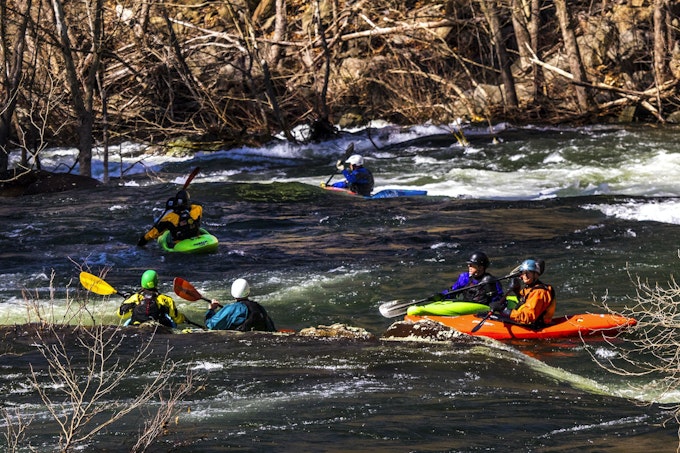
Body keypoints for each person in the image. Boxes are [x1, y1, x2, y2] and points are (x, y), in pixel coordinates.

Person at [489, 258, 556, 327]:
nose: (525, 276)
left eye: (528, 272)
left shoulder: (539, 292)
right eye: (523, 273)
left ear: (536, 274)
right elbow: (523, 301)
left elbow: (528, 317)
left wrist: (504, 310)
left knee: (494, 318)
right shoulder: (530, 288)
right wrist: (517, 291)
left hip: (535, 326)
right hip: (528, 322)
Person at [118, 270, 187, 327]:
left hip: (137, 327)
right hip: (159, 327)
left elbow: (121, 314)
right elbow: (177, 319)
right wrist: (183, 318)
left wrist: (126, 299)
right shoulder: (165, 299)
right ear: (157, 283)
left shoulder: (134, 298)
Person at [205, 278, 277, 332]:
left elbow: (211, 325)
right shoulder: (259, 307)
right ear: (248, 292)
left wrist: (211, 310)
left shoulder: (232, 308)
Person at [137, 189, 203, 247]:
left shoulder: (170, 217)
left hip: (180, 244)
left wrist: (143, 240)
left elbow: (154, 233)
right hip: (196, 238)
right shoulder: (197, 208)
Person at [436, 251, 503, 304]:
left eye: (471, 265)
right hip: (467, 308)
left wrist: (496, 304)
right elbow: (452, 291)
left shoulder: (491, 281)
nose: (469, 266)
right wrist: (441, 295)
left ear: (480, 267)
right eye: (468, 264)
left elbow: (498, 299)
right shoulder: (465, 278)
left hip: (483, 309)